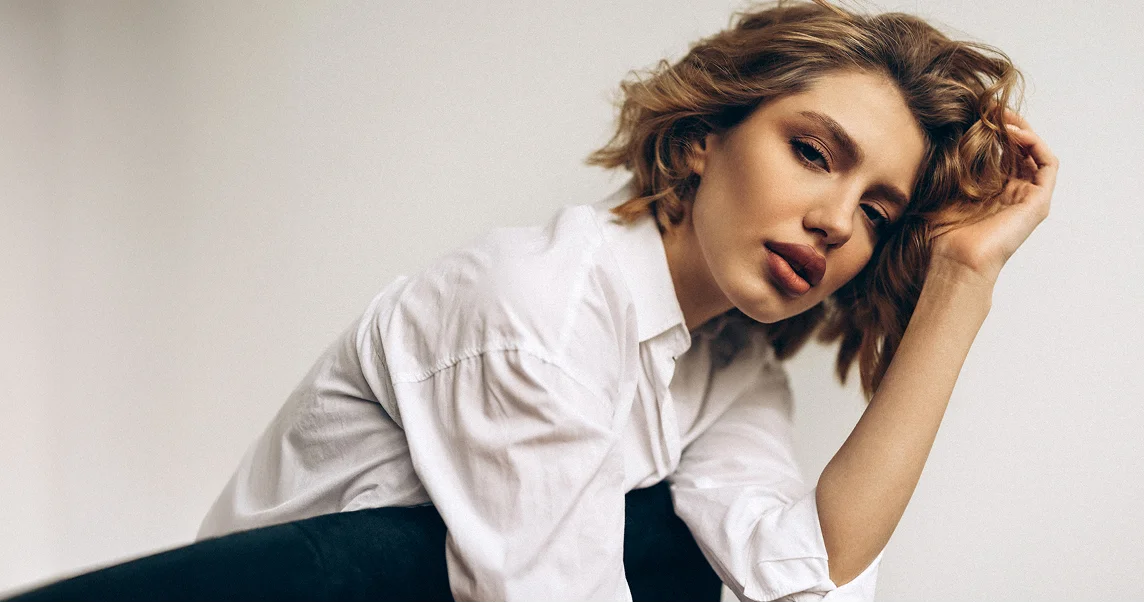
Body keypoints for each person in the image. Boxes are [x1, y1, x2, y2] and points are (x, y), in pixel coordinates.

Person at [8, 1, 1057, 601]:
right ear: (700, 142)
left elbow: (807, 566)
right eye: (811, 153)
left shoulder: (723, 365)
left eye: (876, 210)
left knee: (687, 553)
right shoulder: (540, 310)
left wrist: (965, 278)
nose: (836, 221)